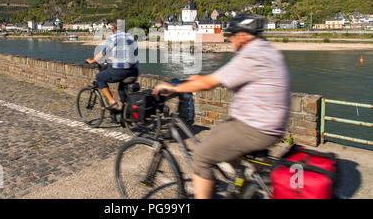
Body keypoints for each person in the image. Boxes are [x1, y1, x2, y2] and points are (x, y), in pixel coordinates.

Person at [153, 14, 291, 199]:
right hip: (268, 123)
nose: (229, 38)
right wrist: (199, 79)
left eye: (232, 34)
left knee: (201, 156)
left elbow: (209, 84)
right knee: (219, 134)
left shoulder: (251, 54)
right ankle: (241, 182)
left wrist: (174, 87)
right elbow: (223, 76)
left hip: (257, 127)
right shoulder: (266, 49)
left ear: (242, 36)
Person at [86, 20, 139, 112]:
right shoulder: (131, 37)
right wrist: (115, 58)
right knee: (121, 89)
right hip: (134, 70)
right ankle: (126, 112)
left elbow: (102, 54)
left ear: (113, 29)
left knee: (100, 77)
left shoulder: (113, 38)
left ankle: (112, 101)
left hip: (121, 71)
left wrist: (92, 61)